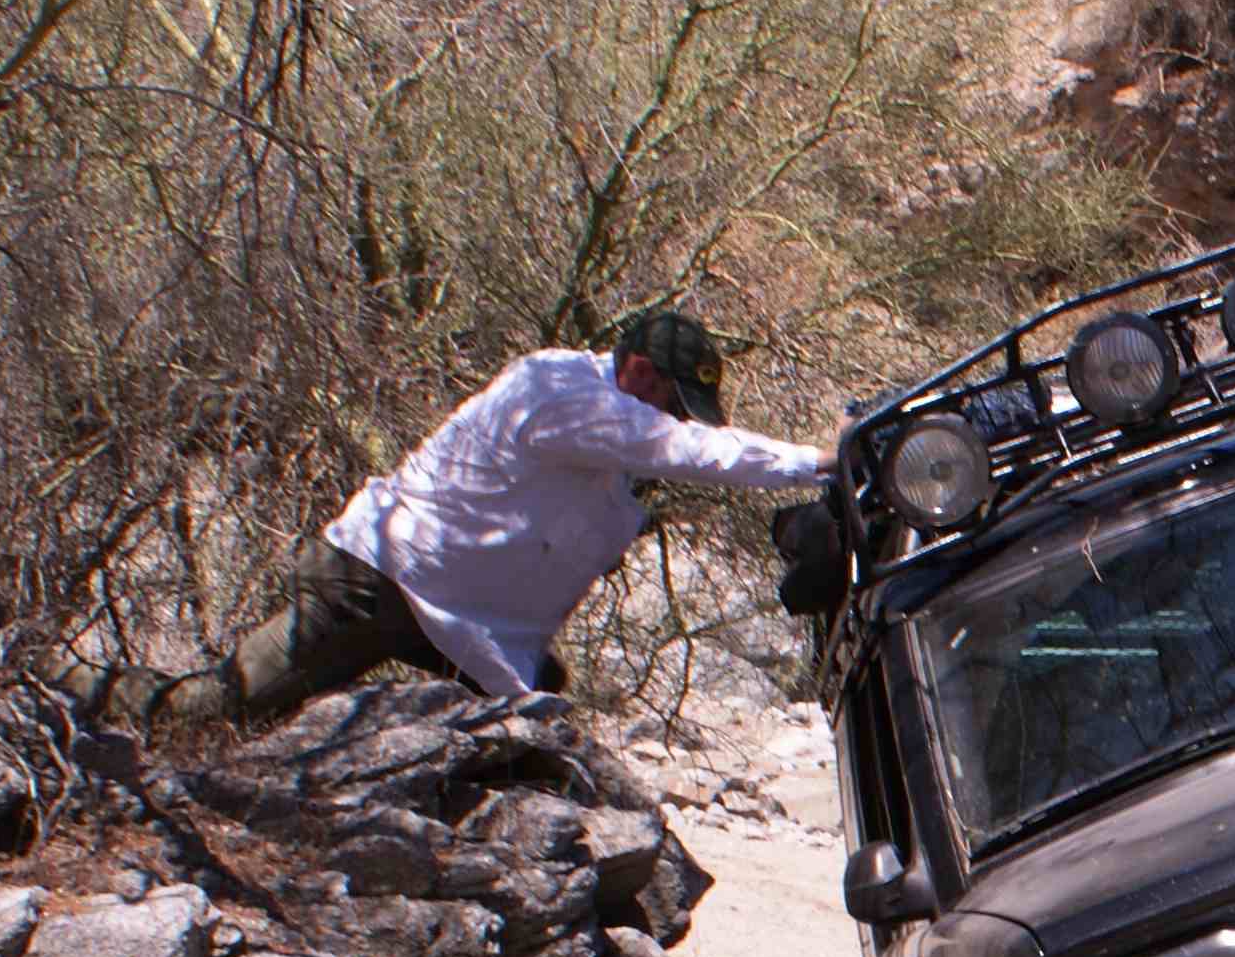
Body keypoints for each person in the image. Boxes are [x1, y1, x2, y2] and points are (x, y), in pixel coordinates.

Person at [150, 308, 828, 727]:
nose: (676, 418)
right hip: (376, 582)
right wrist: (819, 462)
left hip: (456, 621)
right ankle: (95, 705)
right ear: (641, 373)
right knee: (223, 705)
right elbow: (690, 450)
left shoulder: (605, 429)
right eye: (674, 403)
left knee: (535, 717)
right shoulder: (563, 391)